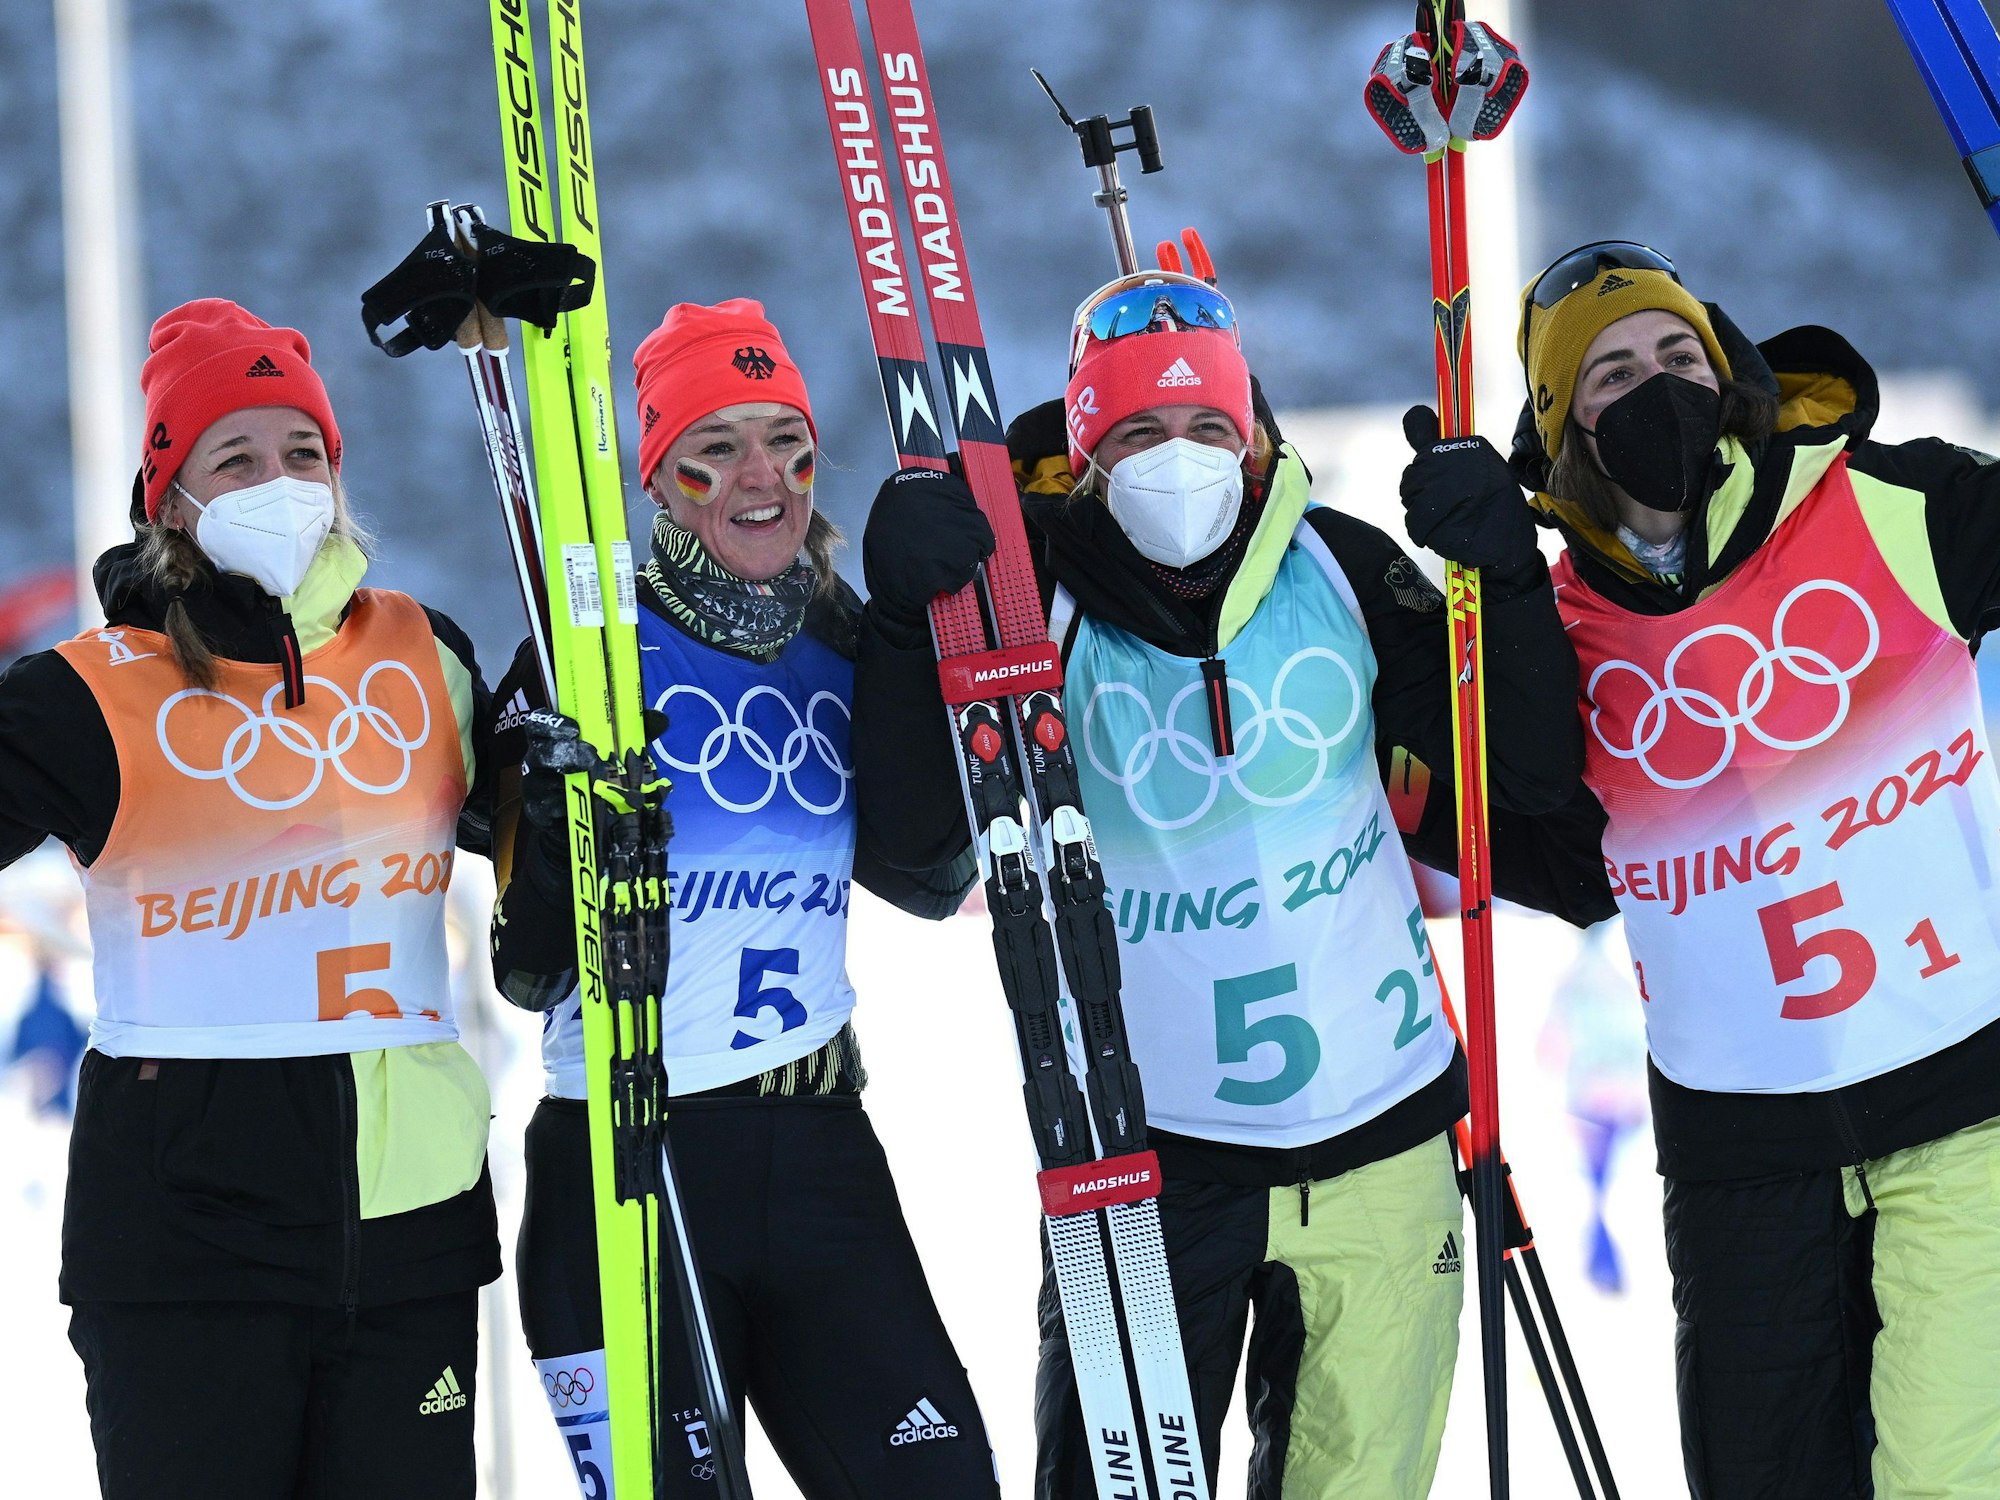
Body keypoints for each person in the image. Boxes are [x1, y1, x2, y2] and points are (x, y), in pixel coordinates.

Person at [854, 268, 1584, 1500]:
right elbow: (920, 866)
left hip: (1385, 1143)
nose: (1175, 459)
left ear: (1248, 438)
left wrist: (1504, 581)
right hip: (1143, 1161)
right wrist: (901, 622)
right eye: (1137, 431)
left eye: (1205, 427)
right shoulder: (1038, 613)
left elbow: (1522, 776)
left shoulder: (1339, 568)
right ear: (1087, 449)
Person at [1404, 239, 2000, 1498]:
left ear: (1727, 372)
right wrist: (1493, 585)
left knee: (1944, 1471)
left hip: (1963, 1091)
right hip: (1739, 1138)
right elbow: (1543, 828)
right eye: (1611, 375)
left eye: (1678, 354)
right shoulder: (1552, 619)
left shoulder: (1885, 502)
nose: (1656, 386)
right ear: (1563, 430)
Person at [488, 298, 1001, 1499]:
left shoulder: (842, 639)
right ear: (661, 478)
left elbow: (927, 879)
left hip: (817, 1148)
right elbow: (527, 971)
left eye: (784, 439)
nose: (757, 476)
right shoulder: (591, 651)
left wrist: (921, 637)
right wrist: (569, 829)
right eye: (713, 448)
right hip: (624, 1152)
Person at [0, 298, 499, 1498]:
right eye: (236, 457)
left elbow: (542, 904)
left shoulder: (425, 654)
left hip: (412, 1235)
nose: (279, 481)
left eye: (304, 454)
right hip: (186, 1253)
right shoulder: (88, 695)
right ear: (170, 496)